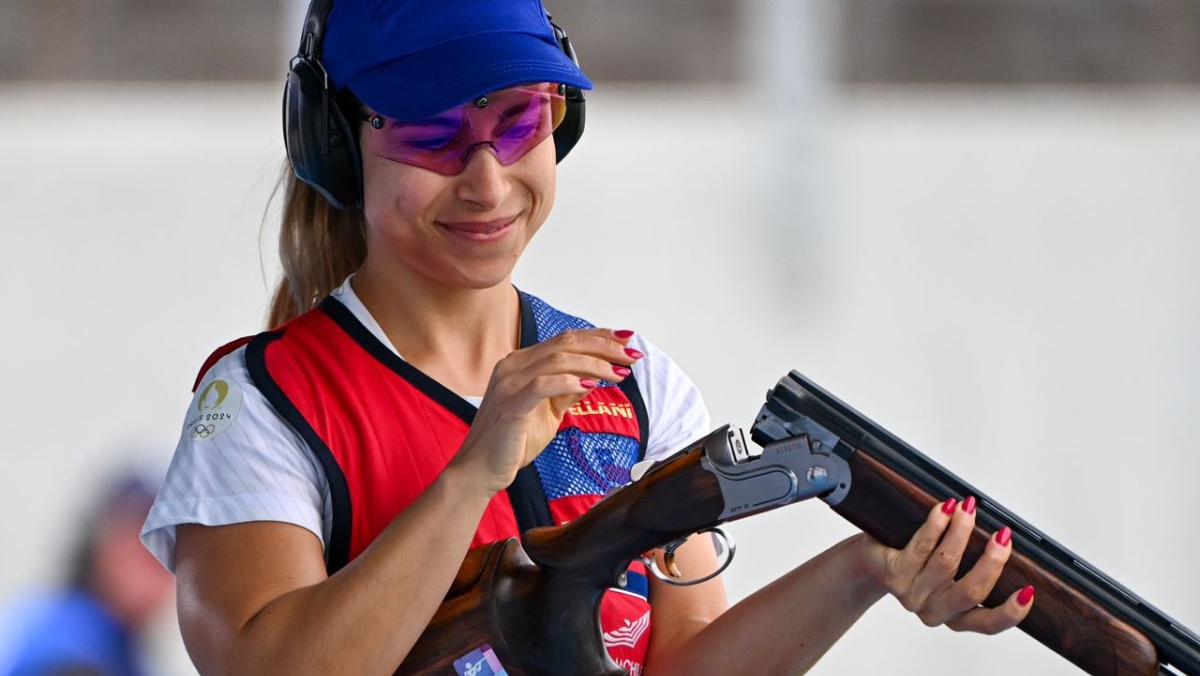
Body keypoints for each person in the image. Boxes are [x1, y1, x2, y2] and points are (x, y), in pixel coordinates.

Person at [140, 1, 1036, 674]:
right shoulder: (263, 402)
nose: (487, 182)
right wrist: (472, 473)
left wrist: (866, 569)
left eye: (517, 122)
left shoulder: (634, 385)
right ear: (337, 144)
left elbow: (681, 664)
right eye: (430, 134)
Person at [1, 470, 173, 676]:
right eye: (149, 554)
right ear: (103, 545)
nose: (164, 574)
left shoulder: (114, 640)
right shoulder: (71, 651)